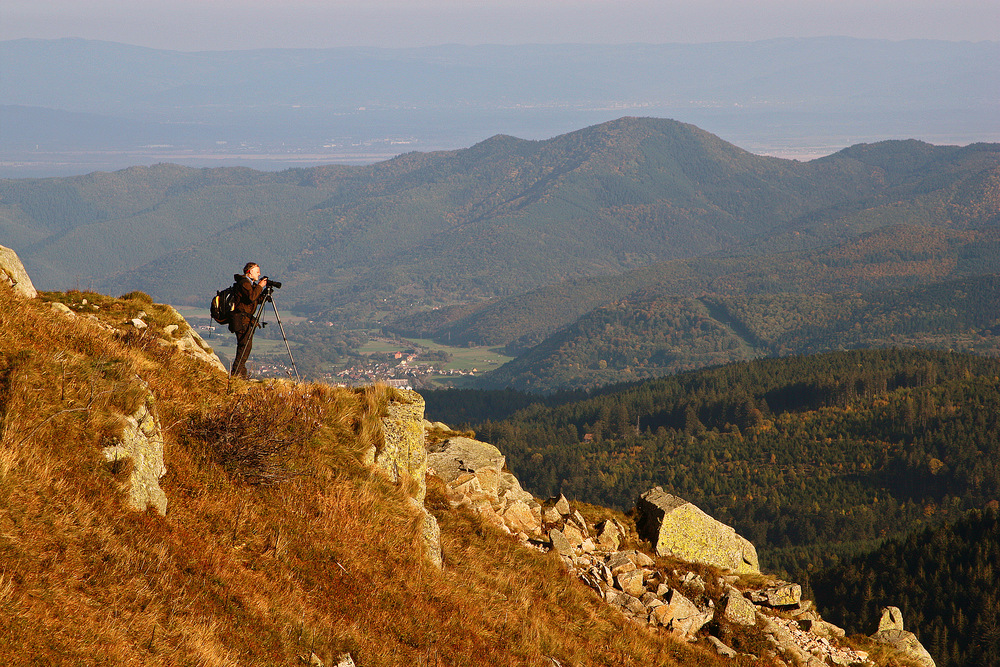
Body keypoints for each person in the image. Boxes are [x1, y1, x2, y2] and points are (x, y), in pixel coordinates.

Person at [229, 262, 268, 378]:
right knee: (244, 347)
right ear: (250, 272)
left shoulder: (249, 284)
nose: (259, 274)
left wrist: (265, 293)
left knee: (245, 347)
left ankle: (241, 375)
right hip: (241, 320)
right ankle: (236, 375)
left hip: (244, 320)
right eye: (257, 271)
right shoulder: (244, 283)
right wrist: (260, 286)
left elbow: (254, 300)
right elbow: (251, 297)